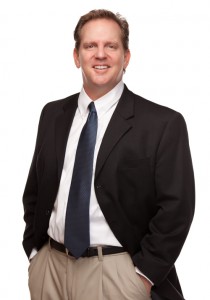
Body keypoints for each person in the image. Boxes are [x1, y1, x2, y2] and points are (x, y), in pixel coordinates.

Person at [22, 9, 195, 300]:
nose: (100, 54)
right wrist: (35, 254)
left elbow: (177, 209)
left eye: (110, 46)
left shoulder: (163, 123)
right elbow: (35, 191)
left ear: (126, 57)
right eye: (90, 46)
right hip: (50, 270)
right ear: (76, 56)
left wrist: (144, 275)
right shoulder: (52, 114)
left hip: (117, 275)